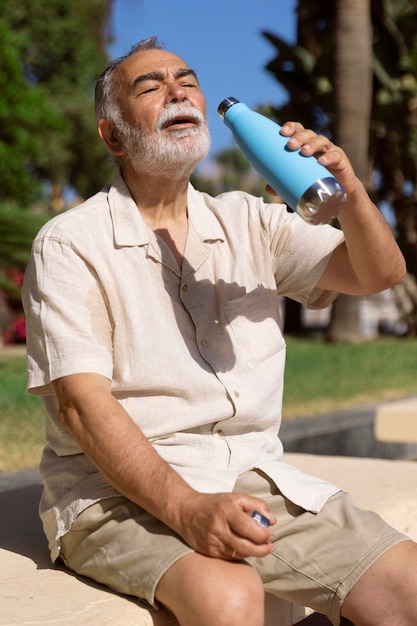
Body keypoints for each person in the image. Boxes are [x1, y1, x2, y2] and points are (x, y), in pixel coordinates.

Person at [22, 36, 417, 626]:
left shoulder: (248, 220)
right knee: (229, 599)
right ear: (112, 136)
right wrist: (188, 510)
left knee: (409, 585)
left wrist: (349, 188)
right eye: (150, 86)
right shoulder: (69, 242)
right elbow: (81, 407)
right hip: (113, 496)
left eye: (187, 80)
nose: (177, 90)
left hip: (249, 478)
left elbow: (380, 272)